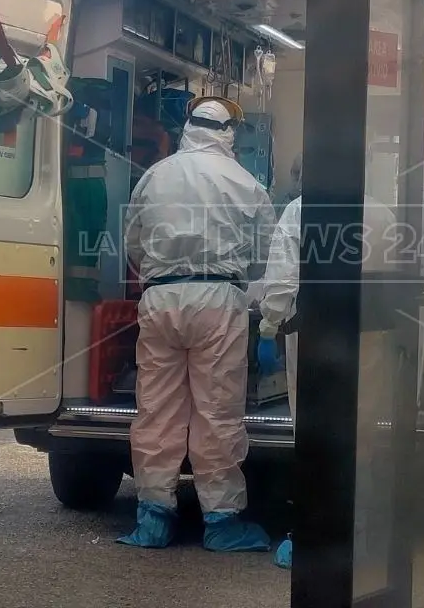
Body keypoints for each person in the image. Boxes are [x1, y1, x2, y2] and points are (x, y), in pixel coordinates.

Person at [120, 96, 277, 552]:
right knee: (216, 411)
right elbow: (266, 253)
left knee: (157, 410)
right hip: (217, 298)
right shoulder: (245, 182)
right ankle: (222, 521)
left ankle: (153, 517)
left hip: (161, 296)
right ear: (229, 132)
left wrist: (161, 271)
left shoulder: (155, 175)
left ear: (189, 127)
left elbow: (134, 242)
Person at [256, 190, 399, 569]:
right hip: (371, 334)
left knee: (313, 431)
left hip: (315, 334)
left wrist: (269, 327)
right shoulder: (383, 212)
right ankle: (358, 531)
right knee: (362, 432)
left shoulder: (300, 209)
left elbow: (284, 280)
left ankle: (310, 533)